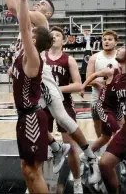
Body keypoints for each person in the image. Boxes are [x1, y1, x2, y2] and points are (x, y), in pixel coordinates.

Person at [0, 0, 99, 181]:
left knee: (61, 118)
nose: (38, 2)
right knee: (31, 115)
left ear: (48, 14)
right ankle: (56, 147)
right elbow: (19, 6)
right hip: (27, 74)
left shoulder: (41, 21)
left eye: (43, 3)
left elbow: (15, 6)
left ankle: (90, 157)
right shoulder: (29, 21)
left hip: (41, 76)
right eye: (39, 1)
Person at [11, 0, 53, 194]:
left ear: (34, 41)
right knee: (26, 169)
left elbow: (24, 26)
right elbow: (22, 22)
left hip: (32, 117)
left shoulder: (33, 57)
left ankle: (57, 145)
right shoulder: (22, 54)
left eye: (30, 34)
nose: (27, 32)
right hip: (23, 116)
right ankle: (55, 145)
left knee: (33, 171)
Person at [82, 45, 126, 193]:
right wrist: (84, 86)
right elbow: (95, 77)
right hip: (105, 108)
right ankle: (88, 157)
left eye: (124, 47)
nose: (120, 48)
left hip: (115, 110)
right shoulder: (115, 73)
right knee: (106, 160)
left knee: (107, 136)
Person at [45, 26, 83, 194]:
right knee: (43, 145)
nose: (54, 37)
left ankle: (77, 181)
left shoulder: (69, 59)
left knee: (71, 144)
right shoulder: (41, 58)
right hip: (45, 104)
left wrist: (56, 89)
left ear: (64, 40)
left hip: (64, 103)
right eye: (51, 35)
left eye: (58, 35)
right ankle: (48, 182)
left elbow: (78, 85)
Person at [86, 30, 119, 137]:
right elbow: (88, 79)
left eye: (110, 39)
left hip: (117, 99)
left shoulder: (121, 56)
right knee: (101, 134)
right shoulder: (94, 57)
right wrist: (103, 87)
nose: (106, 42)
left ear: (116, 42)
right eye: (104, 39)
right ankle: (100, 152)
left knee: (118, 131)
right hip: (98, 99)